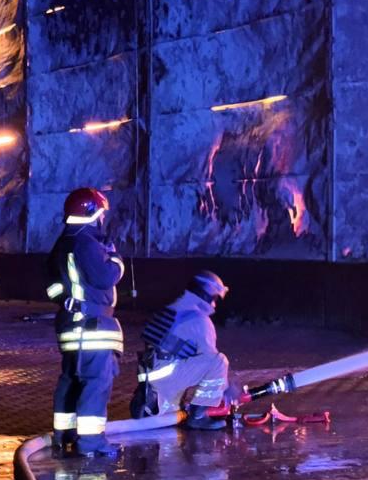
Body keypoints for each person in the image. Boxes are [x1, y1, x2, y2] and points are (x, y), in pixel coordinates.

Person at [44, 187, 125, 457]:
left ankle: (64, 434)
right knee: (96, 381)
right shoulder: (87, 243)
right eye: (101, 214)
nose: (103, 219)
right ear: (91, 213)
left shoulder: (63, 242)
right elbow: (105, 277)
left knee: (71, 379)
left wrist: (67, 300)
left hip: (70, 325)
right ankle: (91, 443)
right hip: (90, 327)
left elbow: (51, 286)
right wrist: (115, 259)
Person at [130, 270, 234, 430]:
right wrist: (228, 389)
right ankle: (198, 417)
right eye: (214, 299)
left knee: (169, 414)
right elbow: (210, 359)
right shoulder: (199, 319)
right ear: (206, 295)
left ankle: (152, 401)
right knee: (219, 362)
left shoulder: (173, 309)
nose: (214, 304)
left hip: (151, 377)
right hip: (167, 377)